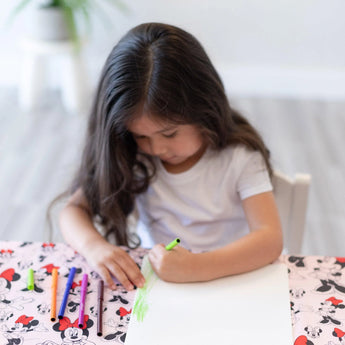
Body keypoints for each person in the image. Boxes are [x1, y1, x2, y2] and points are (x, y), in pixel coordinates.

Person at [59, 22, 283, 291]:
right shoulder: (131, 153)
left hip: (232, 278)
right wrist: (94, 247)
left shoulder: (240, 157)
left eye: (170, 133)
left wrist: (197, 267)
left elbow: (269, 239)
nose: (156, 149)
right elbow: (72, 211)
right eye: (141, 136)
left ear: (204, 109)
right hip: (162, 283)